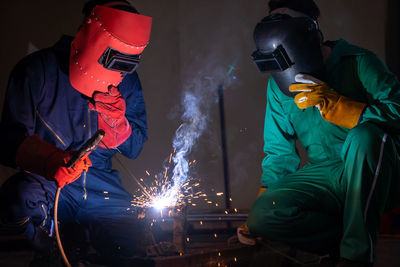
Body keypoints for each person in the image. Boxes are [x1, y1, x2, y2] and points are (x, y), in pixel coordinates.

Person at [238, 0, 400, 266]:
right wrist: (261, 203)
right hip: (327, 175)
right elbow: (279, 152)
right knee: (264, 215)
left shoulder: (359, 62)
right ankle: (345, 237)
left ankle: (356, 258)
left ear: (313, 35)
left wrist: (348, 110)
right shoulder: (278, 86)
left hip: (380, 169)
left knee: (364, 136)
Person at [0, 0, 152, 265]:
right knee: (16, 201)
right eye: (113, 58)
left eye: (126, 63)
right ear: (88, 32)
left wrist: (119, 125)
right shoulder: (37, 70)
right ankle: (50, 248)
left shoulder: (127, 81)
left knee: (138, 236)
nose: (117, 74)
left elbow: (135, 148)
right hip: (49, 184)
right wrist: (49, 160)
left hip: (102, 188)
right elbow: (7, 143)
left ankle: (83, 243)